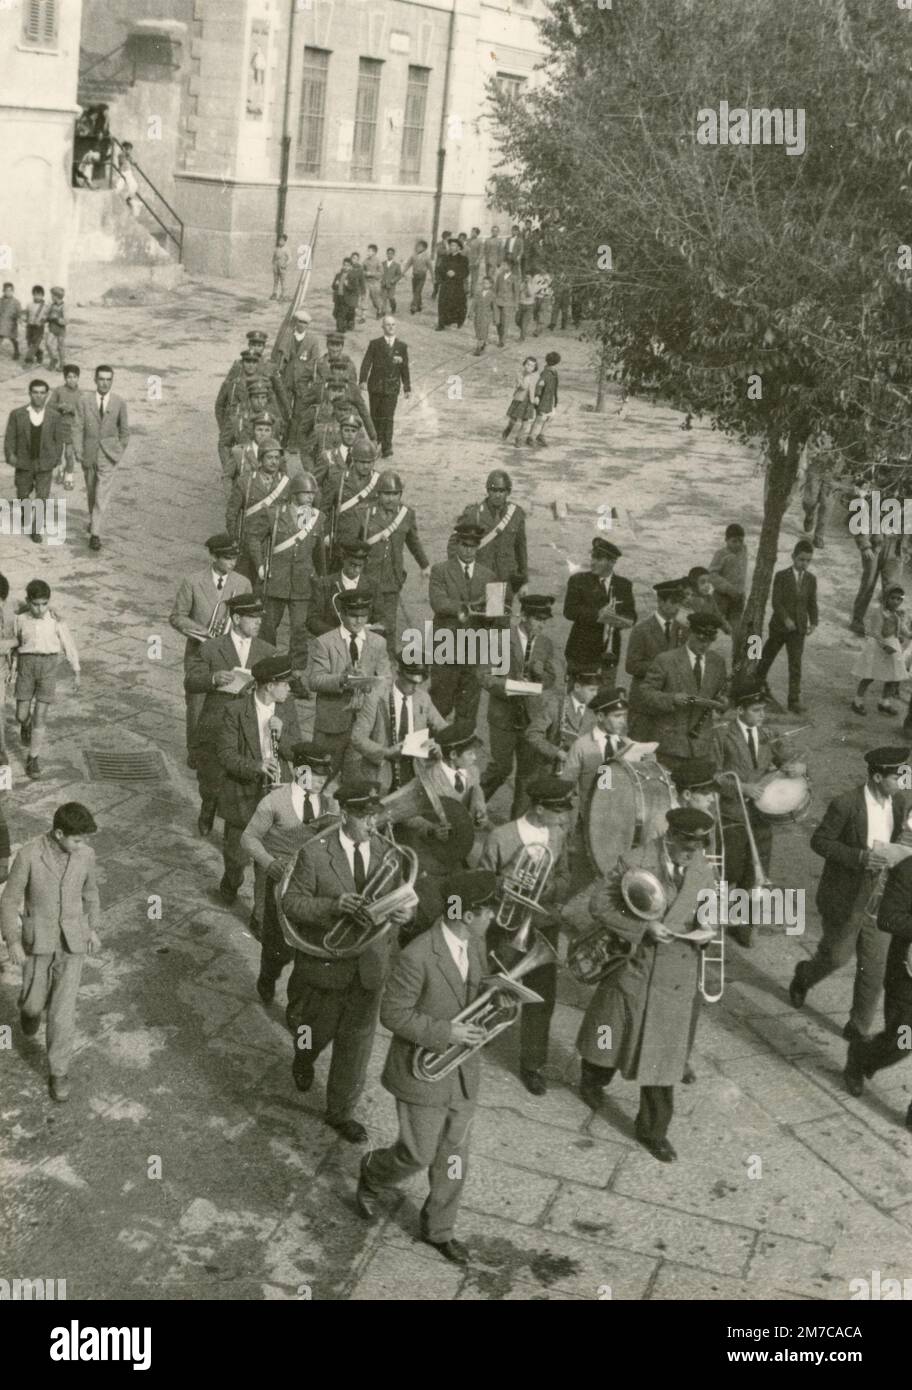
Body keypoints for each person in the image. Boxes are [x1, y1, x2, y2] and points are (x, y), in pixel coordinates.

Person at [355, 868, 498, 1262]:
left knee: (454, 1156)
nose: (494, 918)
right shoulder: (419, 954)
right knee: (417, 1154)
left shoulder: (474, 945)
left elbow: (476, 993)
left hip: (462, 1072)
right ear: (468, 915)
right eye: (489, 911)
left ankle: (439, 1229)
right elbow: (393, 1014)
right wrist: (445, 1032)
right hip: (422, 1072)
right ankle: (372, 1170)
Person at [577, 807, 718, 1161]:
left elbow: (709, 909)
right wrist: (642, 928)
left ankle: (654, 1131)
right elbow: (599, 905)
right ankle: (593, 1080)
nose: (693, 850)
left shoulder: (704, 869)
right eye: (687, 843)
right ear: (670, 837)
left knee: (663, 1058)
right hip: (634, 969)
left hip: (676, 974)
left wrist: (706, 934)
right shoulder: (637, 860)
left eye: (700, 843)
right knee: (608, 1037)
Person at [281, 780, 414, 1142]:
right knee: (315, 1032)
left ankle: (340, 1112)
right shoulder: (315, 853)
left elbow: (401, 897)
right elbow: (291, 903)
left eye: (375, 815)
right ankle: (303, 1058)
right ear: (344, 814)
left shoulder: (388, 852)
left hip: (369, 966)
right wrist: (332, 906)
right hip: (327, 965)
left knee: (356, 1046)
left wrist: (403, 913)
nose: (372, 824)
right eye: (364, 816)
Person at [789, 746, 912, 1042]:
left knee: (874, 968)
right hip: (848, 894)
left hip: (882, 896)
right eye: (899, 775)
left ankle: (858, 1029)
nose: (905, 780)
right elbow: (820, 841)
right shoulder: (846, 804)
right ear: (878, 776)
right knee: (837, 957)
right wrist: (860, 858)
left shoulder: (900, 802)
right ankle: (805, 975)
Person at [0, 802, 100, 1103]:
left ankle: (59, 1072)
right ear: (59, 833)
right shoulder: (29, 855)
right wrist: (13, 941)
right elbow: (9, 900)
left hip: (72, 944)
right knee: (32, 1004)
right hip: (37, 944)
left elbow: (91, 893)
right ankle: (28, 1011)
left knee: (62, 1013)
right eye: (77, 839)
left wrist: (92, 928)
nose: (82, 844)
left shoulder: (85, 855)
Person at [480, 774, 573, 1095]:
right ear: (538, 808)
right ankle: (478, 1034)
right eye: (558, 811)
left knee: (541, 997)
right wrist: (500, 885)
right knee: (495, 982)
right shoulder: (501, 836)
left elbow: (565, 876)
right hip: (506, 925)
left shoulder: (558, 835)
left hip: (542, 925)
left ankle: (532, 1064)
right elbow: (481, 879)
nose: (564, 818)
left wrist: (551, 887)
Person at [241, 744, 337, 1004]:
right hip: (279, 882)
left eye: (323, 775)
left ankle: (296, 1009)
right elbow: (249, 838)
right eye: (313, 773)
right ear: (296, 769)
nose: (320, 780)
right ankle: (268, 976)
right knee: (277, 946)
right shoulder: (274, 802)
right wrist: (269, 863)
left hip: (312, 886)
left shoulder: (330, 804)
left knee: (307, 951)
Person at [185, 594, 275, 843]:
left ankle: (233, 830)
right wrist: (213, 679)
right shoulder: (212, 648)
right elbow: (191, 681)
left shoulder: (267, 651)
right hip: (217, 723)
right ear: (236, 619)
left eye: (259, 618)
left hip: (249, 726)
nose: (258, 623)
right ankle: (208, 806)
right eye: (252, 618)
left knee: (240, 780)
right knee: (211, 777)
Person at [215, 653, 302, 910]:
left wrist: (281, 734)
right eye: (285, 684)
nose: (289, 688)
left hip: (276, 794)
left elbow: (295, 751)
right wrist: (257, 766)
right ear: (269, 685)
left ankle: (259, 915)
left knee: (269, 859)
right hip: (243, 792)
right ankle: (231, 881)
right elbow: (226, 754)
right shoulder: (235, 710)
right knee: (237, 855)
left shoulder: (287, 708)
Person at [711, 686, 792, 948]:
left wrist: (793, 765)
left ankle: (743, 925)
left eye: (764, 710)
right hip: (733, 814)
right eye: (756, 710)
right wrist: (742, 788)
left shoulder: (768, 734)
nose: (762, 715)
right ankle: (712, 919)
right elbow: (713, 775)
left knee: (756, 874)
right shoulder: (722, 736)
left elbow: (786, 760)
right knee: (730, 869)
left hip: (762, 815)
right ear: (739, 710)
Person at [844, 847, 912, 1126]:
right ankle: (860, 1057)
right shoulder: (908, 870)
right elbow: (888, 918)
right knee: (902, 1040)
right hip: (906, 975)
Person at [169, 534, 251, 765]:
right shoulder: (193, 581)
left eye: (235, 558)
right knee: (197, 703)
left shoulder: (242, 583)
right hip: (200, 653)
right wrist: (203, 631)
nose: (232, 563)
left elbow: (247, 617)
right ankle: (195, 750)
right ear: (213, 556)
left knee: (229, 701)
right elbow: (177, 617)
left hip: (230, 651)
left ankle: (223, 748)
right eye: (227, 558)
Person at [479, 594, 556, 817]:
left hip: (530, 717)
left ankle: (518, 822)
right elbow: (483, 676)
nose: (542, 625)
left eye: (545, 621)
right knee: (501, 768)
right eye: (538, 619)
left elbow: (551, 677)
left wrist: (541, 675)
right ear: (523, 616)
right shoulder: (500, 639)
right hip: (504, 715)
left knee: (528, 774)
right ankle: (472, 807)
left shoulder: (545, 643)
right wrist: (510, 685)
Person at [307, 590, 391, 775]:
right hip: (332, 723)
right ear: (342, 614)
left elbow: (386, 679)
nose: (359, 621)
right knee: (321, 775)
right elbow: (314, 680)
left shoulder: (378, 642)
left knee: (357, 780)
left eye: (363, 616)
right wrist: (342, 679)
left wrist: (369, 685)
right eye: (353, 616)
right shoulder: (325, 642)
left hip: (365, 724)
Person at [428, 520, 497, 724]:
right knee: (440, 706)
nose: (469, 551)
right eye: (465, 545)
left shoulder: (489, 575)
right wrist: (471, 606)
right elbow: (439, 603)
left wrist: (492, 610)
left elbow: (494, 615)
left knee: (468, 710)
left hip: (474, 650)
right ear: (457, 545)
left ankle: (460, 751)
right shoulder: (440, 570)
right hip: (446, 647)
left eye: (473, 546)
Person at [640, 611, 728, 770]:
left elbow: (721, 694)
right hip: (671, 746)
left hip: (702, 747)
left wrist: (723, 702)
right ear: (690, 633)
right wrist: (672, 698)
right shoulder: (666, 660)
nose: (705, 645)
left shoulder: (718, 663)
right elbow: (645, 695)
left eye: (709, 641)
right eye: (701, 639)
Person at [11, 579, 80, 781]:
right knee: (21, 714)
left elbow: (68, 645)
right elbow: (16, 644)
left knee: (41, 715)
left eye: (44, 603)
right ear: (28, 601)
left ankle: (33, 758)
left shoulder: (56, 621)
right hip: (26, 667)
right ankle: (26, 724)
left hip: (48, 668)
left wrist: (77, 670)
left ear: (49, 602)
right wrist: (13, 667)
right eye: (35, 604)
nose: (40, 609)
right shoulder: (20, 619)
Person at [260, 474, 325, 685]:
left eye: (311, 494)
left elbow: (319, 553)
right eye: (305, 493)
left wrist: (321, 579)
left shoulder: (317, 518)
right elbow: (256, 538)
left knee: (299, 629)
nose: (309, 497)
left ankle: (296, 673)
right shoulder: (275, 514)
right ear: (294, 494)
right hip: (277, 579)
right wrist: (262, 564)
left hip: (302, 582)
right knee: (269, 626)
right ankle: (267, 664)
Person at [351, 654, 446, 793]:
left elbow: (444, 728)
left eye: (417, 683)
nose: (412, 688)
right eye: (409, 681)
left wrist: (438, 743)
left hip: (413, 768)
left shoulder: (423, 699)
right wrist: (386, 752)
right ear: (398, 673)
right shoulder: (376, 697)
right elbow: (357, 737)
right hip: (381, 771)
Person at [359, 470, 430, 653]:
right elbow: (354, 544)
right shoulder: (365, 513)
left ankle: (388, 662)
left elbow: (413, 541)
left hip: (392, 578)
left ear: (400, 495)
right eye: (386, 494)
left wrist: (424, 564)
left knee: (389, 625)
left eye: (395, 494)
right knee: (363, 622)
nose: (390, 499)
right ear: (378, 494)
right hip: (367, 577)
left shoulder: (406, 515)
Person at [755, 539, 818, 715]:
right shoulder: (781, 576)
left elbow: (812, 603)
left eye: (807, 560)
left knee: (795, 664)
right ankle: (756, 686)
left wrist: (813, 622)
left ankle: (793, 700)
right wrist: (786, 619)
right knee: (767, 656)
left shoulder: (811, 580)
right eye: (801, 559)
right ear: (793, 557)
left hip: (798, 631)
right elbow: (776, 601)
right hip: (780, 627)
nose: (804, 563)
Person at [72, 364, 130, 552]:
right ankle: (93, 520)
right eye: (101, 379)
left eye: (108, 380)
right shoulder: (84, 400)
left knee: (101, 495)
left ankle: (95, 534)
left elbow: (125, 431)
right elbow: (78, 425)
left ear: (112, 381)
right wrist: (78, 449)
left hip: (108, 455)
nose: (105, 383)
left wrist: (118, 450)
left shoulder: (119, 402)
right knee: (91, 492)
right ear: (95, 380)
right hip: (89, 454)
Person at [451, 469, 528, 600]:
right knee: (480, 617)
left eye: (501, 491)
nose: (497, 495)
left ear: (508, 492)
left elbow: (521, 549)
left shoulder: (516, 514)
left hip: (507, 580)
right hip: (480, 580)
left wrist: (524, 581)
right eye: (494, 490)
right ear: (488, 491)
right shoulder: (474, 514)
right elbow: (453, 544)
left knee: (502, 618)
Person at [3, 379, 66, 541]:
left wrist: (57, 458)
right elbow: (9, 438)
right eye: (35, 392)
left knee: (42, 496)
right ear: (30, 393)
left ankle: (36, 528)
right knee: (22, 492)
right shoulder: (17, 414)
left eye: (42, 393)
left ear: (47, 394)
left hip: (45, 462)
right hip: (24, 461)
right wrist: (11, 455)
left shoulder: (54, 416)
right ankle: (25, 512)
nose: (39, 396)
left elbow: (59, 440)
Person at [564, 536, 637, 672]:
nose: (592, 563)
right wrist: (598, 614)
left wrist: (618, 619)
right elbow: (569, 611)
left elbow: (631, 617)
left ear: (612, 562)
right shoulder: (578, 580)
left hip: (609, 655)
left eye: (598, 559)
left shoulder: (624, 585)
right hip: (581, 653)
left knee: (606, 692)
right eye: (592, 558)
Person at [625, 580, 686, 740]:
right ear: (660, 601)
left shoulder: (684, 631)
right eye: (673, 602)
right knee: (637, 750)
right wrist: (662, 667)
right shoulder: (641, 630)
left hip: (670, 704)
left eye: (679, 602)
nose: (677, 607)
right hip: (643, 704)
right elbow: (631, 666)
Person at [227, 438, 291, 588]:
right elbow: (231, 513)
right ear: (261, 459)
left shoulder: (286, 483)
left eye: (277, 458)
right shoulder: (246, 481)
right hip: (246, 543)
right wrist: (235, 539)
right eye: (269, 457)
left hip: (271, 544)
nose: (274, 462)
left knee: (266, 588)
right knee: (241, 584)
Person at [562, 686, 632, 819]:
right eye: (617, 716)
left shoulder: (627, 745)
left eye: (625, 716)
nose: (623, 721)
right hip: (588, 816)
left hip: (619, 817)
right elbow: (567, 785)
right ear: (600, 716)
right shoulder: (582, 746)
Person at [524, 668, 600, 778]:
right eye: (591, 690)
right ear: (577, 687)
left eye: (597, 690)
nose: (595, 694)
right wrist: (557, 752)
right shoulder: (555, 705)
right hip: (548, 770)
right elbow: (532, 734)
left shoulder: (591, 716)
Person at [851, 583, 912, 716]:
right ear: (885, 598)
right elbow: (876, 632)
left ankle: (884, 702)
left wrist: (909, 634)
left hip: (893, 646)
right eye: (892, 598)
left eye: (899, 599)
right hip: (879, 647)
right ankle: (857, 701)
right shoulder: (879, 612)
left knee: (894, 676)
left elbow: (903, 630)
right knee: (870, 675)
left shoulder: (898, 614)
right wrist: (885, 646)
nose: (895, 601)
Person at [359, 315, 411, 459]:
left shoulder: (401, 346)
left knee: (388, 417)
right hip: (375, 387)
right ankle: (376, 443)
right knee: (375, 416)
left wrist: (407, 387)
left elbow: (405, 368)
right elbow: (366, 363)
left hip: (391, 388)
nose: (391, 327)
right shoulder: (375, 344)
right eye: (388, 325)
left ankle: (387, 447)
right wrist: (362, 380)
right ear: (382, 327)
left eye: (393, 325)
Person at [307, 540, 379, 637]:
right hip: (332, 642)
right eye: (353, 565)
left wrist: (367, 631)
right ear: (343, 559)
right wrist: (337, 634)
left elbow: (382, 619)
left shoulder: (372, 585)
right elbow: (312, 620)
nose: (357, 570)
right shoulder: (325, 584)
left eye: (360, 566)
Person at [48, 365, 84, 490]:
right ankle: (60, 470)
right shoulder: (58, 391)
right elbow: (49, 406)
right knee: (57, 453)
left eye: (74, 377)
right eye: (69, 377)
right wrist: (60, 406)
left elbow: (83, 413)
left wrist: (72, 409)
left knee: (69, 454)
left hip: (72, 428)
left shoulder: (81, 395)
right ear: (65, 378)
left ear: (78, 378)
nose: (72, 380)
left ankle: (69, 476)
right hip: (58, 427)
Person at [708, 523, 748, 629]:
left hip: (738, 597)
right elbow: (712, 574)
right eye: (734, 541)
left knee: (737, 627)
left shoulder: (744, 550)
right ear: (726, 540)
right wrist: (727, 588)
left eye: (741, 541)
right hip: (722, 597)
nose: (738, 544)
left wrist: (740, 591)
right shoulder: (721, 554)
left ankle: (736, 645)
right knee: (713, 625)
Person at [800, 431, 835, 548]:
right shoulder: (822, 424)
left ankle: (819, 536)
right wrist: (815, 450)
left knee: (827, 505)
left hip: (833, 473)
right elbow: (809, 441)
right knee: (810, 500)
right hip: (816, 467)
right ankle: (809, 515)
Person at [525, 352, 560, 448]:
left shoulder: (553, 372)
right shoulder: (546, 373)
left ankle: (541, 435)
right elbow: (540, 384)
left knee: (550, 417)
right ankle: (530, 437)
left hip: (550, 399)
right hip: (544, 399)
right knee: (539, 418)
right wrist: (537, 396)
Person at [435, 237, 469, 331]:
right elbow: (440, 268)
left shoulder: (463, 259)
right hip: (446, 283)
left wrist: (455, 273)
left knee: (457, 304)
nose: (451, 247)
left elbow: (465, 272)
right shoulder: (446, 258)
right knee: (442, 303)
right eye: (450, 245)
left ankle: (458, 321)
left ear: (458, 247)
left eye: (453, 245)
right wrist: (446, 272)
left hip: (457, 285)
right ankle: (441, 323)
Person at [502, 356, 538, 444]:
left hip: (529, 401)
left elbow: (536, 388)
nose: (529, 367)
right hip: (519, 399)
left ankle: (519, 439)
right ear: (524, 364)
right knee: (513, 419)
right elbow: (523, 386)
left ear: (534, 368)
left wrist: (536, 397)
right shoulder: (520, 374)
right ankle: (509, 428)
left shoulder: (535, 377)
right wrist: (526, 378)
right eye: (527, 364)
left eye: (532, 366)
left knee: (526, 421)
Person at [494, 256, 520, 347]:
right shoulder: (500, 275)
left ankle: (502, 340)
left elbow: (516, 292)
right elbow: (495, 289)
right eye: (503, 265)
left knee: (505, 322)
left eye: (505, 265)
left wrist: (516, 304)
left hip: (508, 303)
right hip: (498, 301)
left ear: (510, 266)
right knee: (497, 321)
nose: (503, 266)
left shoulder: (514, 277)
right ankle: (500, 336)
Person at [403, 239, 432, 314]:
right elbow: (408, 264)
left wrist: (433, 277)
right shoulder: (413, 255)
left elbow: (430, 268)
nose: (417, 248)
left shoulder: (427, 257)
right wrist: (403, 272)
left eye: (419, 246)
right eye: (417, 246)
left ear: (424, 248)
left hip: (422, 276)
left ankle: (413, 307)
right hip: (415, 276)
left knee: (417, 291)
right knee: (415, 291)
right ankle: (419, 305)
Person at [23, 285, 48, 365]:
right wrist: (25, 320)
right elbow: (26, 314)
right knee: (29, 343)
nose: (37, 297)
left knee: (34, 343)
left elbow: (46, 317)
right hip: (30, 327)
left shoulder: (45, 306)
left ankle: (28, 360)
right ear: (33, 295)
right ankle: (39, 353)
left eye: (39, 295)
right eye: (35, 294)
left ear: (42, 295)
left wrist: (42, 322)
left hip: (39, 328)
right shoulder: (29, 305)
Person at [43, 287, 67, 370]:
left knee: (60, 347)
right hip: (52, 328)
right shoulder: (51, 305)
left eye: (52, 295)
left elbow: (66, 320)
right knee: (48, 343)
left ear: (57, 296)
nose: (51, 297)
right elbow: (46, 314)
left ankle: (62, 364)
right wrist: (46, 318)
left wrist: (56, 319)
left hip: (60, 329)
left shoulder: (64, 306)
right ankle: (53, 359)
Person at [472, 274, 495, 355]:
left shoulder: (492, 295)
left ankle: (478, 348)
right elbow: (474, 303)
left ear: (490, 285)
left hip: (486, 316)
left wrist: (495, 318)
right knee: (477, 329)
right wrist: (471, 312)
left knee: (483, 331)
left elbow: (494, 307)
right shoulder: (478, 293)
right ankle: (484, 342)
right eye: (483, 283)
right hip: (478, 315)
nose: (485, 285)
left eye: (487, 283)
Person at [0, 281, 21, 361]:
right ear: (3, 291)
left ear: (13, 291)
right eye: (6, 291)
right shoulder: (0, 301)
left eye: (10, 291)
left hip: (11, 324)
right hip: (1, 323)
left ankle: (17, 352)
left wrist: (19, 318)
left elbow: (19, 312)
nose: (8, 292)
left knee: (13, 339)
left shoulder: (16, 302)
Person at [380, 248, 403, 315]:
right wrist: (381, 279)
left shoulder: (396, 265)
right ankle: (383, 311)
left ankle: (393, 307)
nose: (389, 255)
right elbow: (380, 272)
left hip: (391, 285)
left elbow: (399, 275)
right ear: (386, 254)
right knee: (383, 298)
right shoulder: (382, 264)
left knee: (391, 298)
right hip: (383, 284)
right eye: (388, 253)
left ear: (393, 255)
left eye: (391, 254)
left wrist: (394, 280)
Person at [363, 244, 383, 317]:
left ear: (374, 252)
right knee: (365, 298)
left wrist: (371, 273)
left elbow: (381, 273)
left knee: (375, 300)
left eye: (370, 251)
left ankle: (379, 310)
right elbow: (362, 270)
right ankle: (363, 316)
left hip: (375, 283)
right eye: (368, 251)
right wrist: (365, 273)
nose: (368, 252)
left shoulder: (378, 261)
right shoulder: (365, 261)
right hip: (367, 283)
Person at [516, 272, 536, 342]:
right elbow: (518, 292)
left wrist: (528, 285)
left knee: (524, 322)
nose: (527, 279)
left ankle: (522, 337)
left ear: (531, 279)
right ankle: (524, 331)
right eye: (526, 278)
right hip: (521, 305)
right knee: (517, 321)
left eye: (528, 278)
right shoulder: (522, 284)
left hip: (529, 306)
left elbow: (530, 294)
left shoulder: (533, 285)